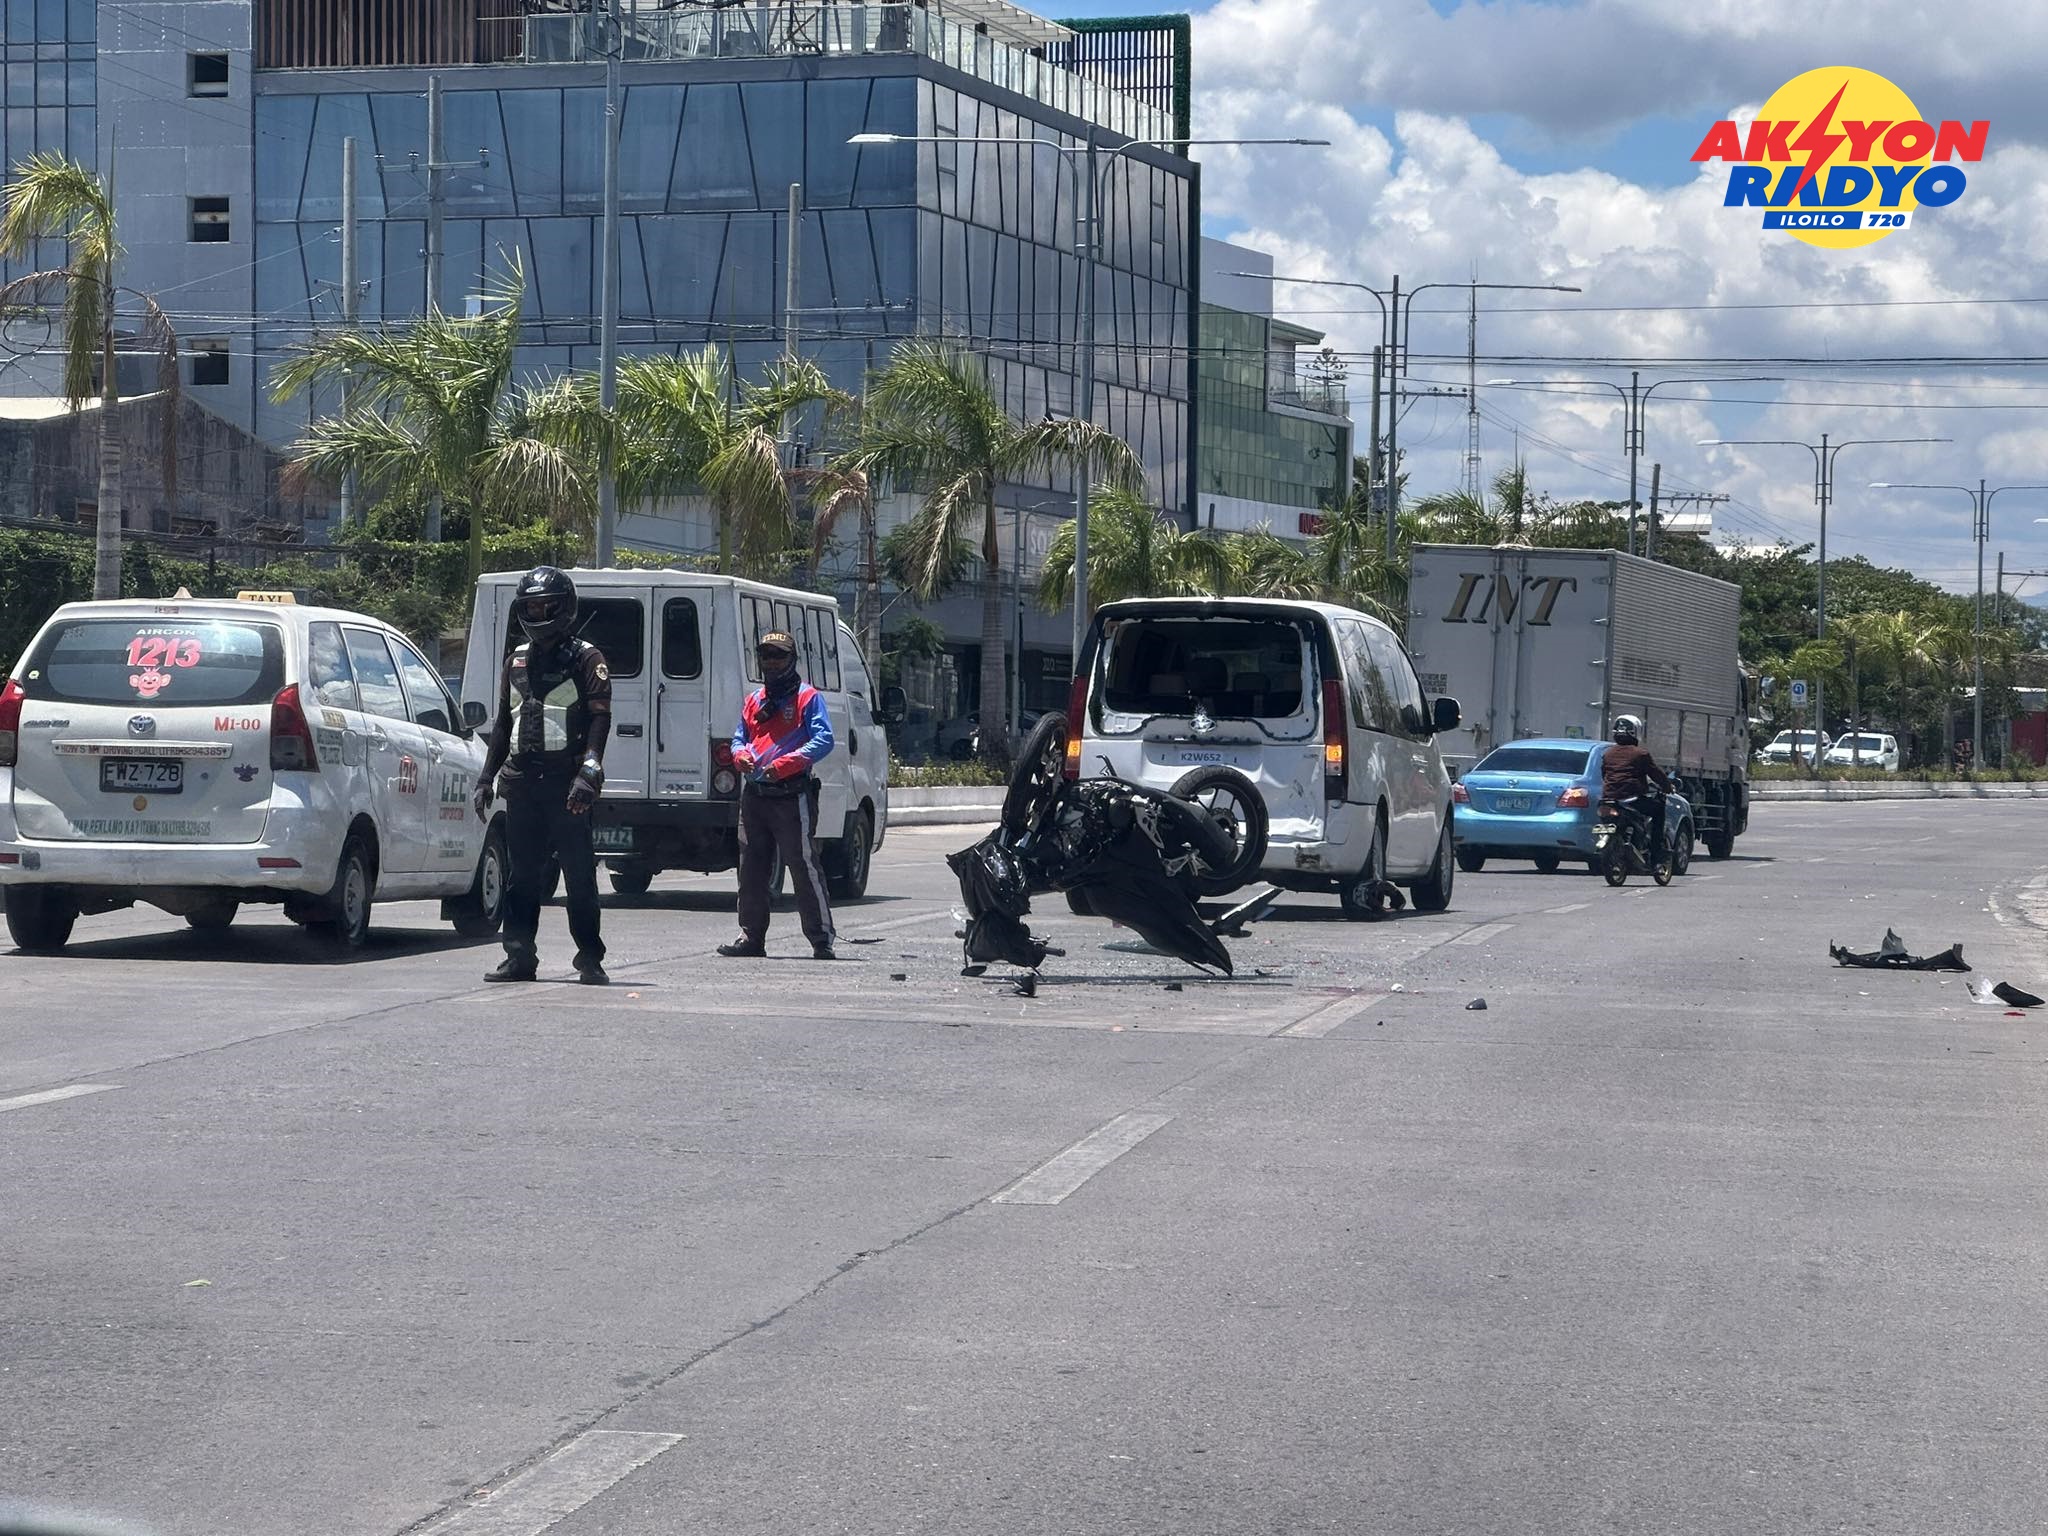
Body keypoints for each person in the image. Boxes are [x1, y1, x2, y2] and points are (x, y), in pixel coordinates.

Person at [474, 566, 613, 985]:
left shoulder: (588, 658)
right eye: (530, 605)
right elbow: (502, 723)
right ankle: (519, 957)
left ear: (563, 606)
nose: (536, 612)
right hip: (521, 783)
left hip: (568, 785)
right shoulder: (515, 660)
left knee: (579, 876)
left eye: (544, 604)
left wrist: (589, 773)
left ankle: (589, 958)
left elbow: (600, 720)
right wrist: (485, 777)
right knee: (522, 877)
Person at [717, 630, 838, 961]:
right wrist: (739, 754)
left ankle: (820, 938)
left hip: (791, 795)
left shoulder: (807, 698)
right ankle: (751, 937)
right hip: (755, 795)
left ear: (792, 660)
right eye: (766, 655)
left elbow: (823, 740)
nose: (771, 662)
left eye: (779, 655)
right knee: (751, 868)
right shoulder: (755, 700)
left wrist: (787, 763)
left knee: (802, 866)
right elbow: (740, 736)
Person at [1601, 713, 1673, 865]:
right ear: (1636, 732)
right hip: (1632, 799)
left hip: (1608, 799)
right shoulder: (1641, 754)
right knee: (1658, 810)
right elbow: (1656, 774)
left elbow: (1604, 775)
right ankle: (1656, 854)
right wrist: (1668, 786)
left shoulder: (1608, 754)